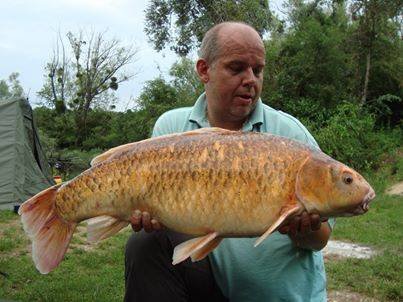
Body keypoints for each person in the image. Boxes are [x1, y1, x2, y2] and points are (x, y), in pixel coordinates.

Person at [124, 21, 334, 302]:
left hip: (278, 295)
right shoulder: (171, 127)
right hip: (209, 283)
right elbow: (164, 226)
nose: (251, 80)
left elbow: (320, 240)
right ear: (203, 70)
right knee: (145, 242)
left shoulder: (290, 134)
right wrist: (149, 215)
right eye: (237, 68)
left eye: (258, 70)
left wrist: (305, 228)